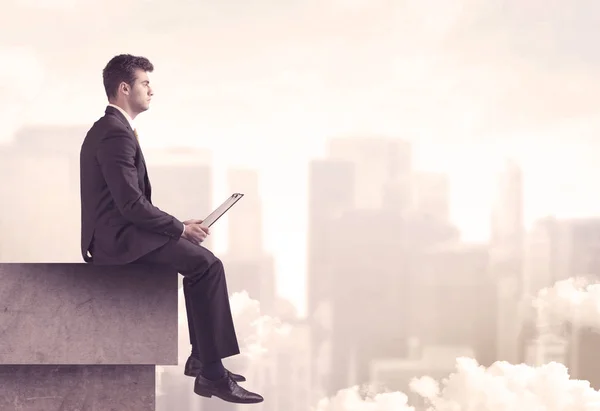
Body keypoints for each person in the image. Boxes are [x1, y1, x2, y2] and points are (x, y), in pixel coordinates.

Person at [79, 53, 263, 404]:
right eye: (145, 83)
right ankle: (212, 374)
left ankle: (202, 357)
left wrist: (179, 224)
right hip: (117, 242)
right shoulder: (114, 134)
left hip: (121, 234)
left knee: (200, 266)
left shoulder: (112, 129)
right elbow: (131, 205)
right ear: (124, 88)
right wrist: (178, 229)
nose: (151, 90)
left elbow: (130, 202)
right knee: (207, 266)